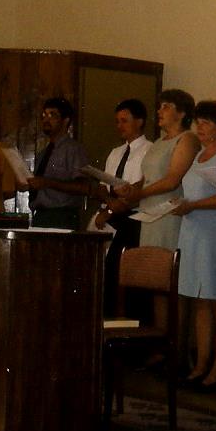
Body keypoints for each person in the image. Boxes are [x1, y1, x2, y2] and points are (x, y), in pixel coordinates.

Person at [116, 89, 200, 368]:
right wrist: (132, 189)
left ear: (182, 113)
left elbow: (173, 179)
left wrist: (139, 194)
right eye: (160, 106)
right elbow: (148, 178)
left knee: (171, 283)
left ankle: (178, 351)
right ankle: (161, 346)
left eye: (166, 106)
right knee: (155, 284)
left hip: (169, 214)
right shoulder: (159, 142)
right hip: (150, 214)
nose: (160, 111)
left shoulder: (187, 139)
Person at [172, 101, 216, 392]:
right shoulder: (198, 155)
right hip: (193, 231)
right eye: (198, 122)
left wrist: (194, 205)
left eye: (206, 122)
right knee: (200, 300)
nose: (199, 127)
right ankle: (201, 364)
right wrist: (181, 204)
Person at [94, 99, 152, 315]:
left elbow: (141, 189)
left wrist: (113, 208)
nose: (120, 126)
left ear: (139, 121)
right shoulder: (115, 152)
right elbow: (103, 186)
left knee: (125, 275)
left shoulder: (149, 150)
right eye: (117, 121)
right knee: (106, 274)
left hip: (132, 218)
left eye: (125, 121)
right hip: (111, 215)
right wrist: (108, 205)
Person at [21, 97, 90, 229]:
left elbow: (83, 187)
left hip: (62, 217)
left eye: (52, 115)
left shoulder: (74, 149)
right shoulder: (43, 154)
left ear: (65, 121)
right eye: (44, 115)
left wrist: (48, 183)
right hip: (40, 216)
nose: (46, 120)